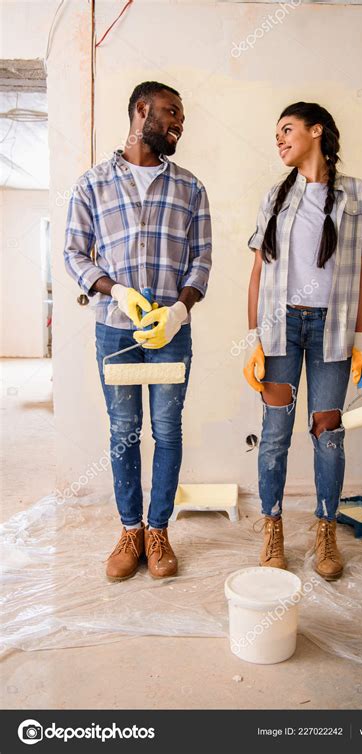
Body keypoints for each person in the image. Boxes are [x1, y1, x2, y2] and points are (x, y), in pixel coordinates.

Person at [64, 82, 212, 581]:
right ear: (141, 111)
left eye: (182, 116)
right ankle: (130, 530)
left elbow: (201, 260)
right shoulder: (93, 183)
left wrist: (179, 310)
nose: (179, 124)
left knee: (167, 432)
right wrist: (114, 290)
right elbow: (73, 253)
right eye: (172, 112)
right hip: (115, 331)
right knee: (124, 432)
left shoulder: (191, 188)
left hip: (171, 332)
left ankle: (159, 531)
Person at [244, 101, 362, 580]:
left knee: (328, 436)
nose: (279, 139)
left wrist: (360, 339)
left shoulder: (356, 194)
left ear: (316, 130)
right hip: (281, 329)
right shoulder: (274, 196)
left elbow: (360, 269)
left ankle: (325, 531)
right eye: (276, 133)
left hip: (332, 331)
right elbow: (258, 269)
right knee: (275, 435)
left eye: (288, 130)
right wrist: (254, 339)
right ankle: (273, 529)